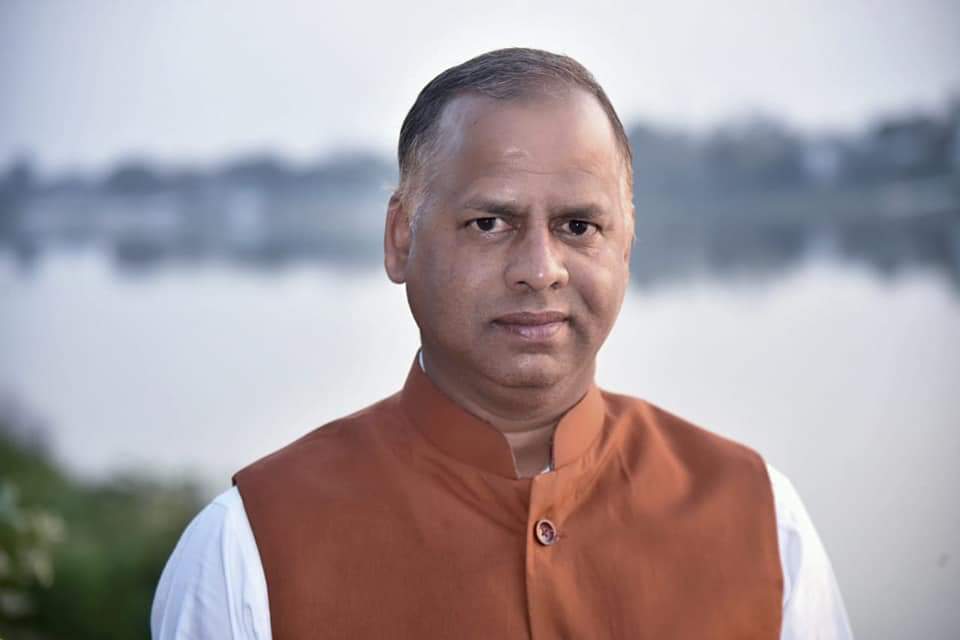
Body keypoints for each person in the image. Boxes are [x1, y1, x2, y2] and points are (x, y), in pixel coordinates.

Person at [151, 48, 853, 639]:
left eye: (579, 227)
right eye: (490, 223)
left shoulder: (760, 520)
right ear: (401, 239)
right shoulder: (252, 548)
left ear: (627, 244)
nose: (540, 270)